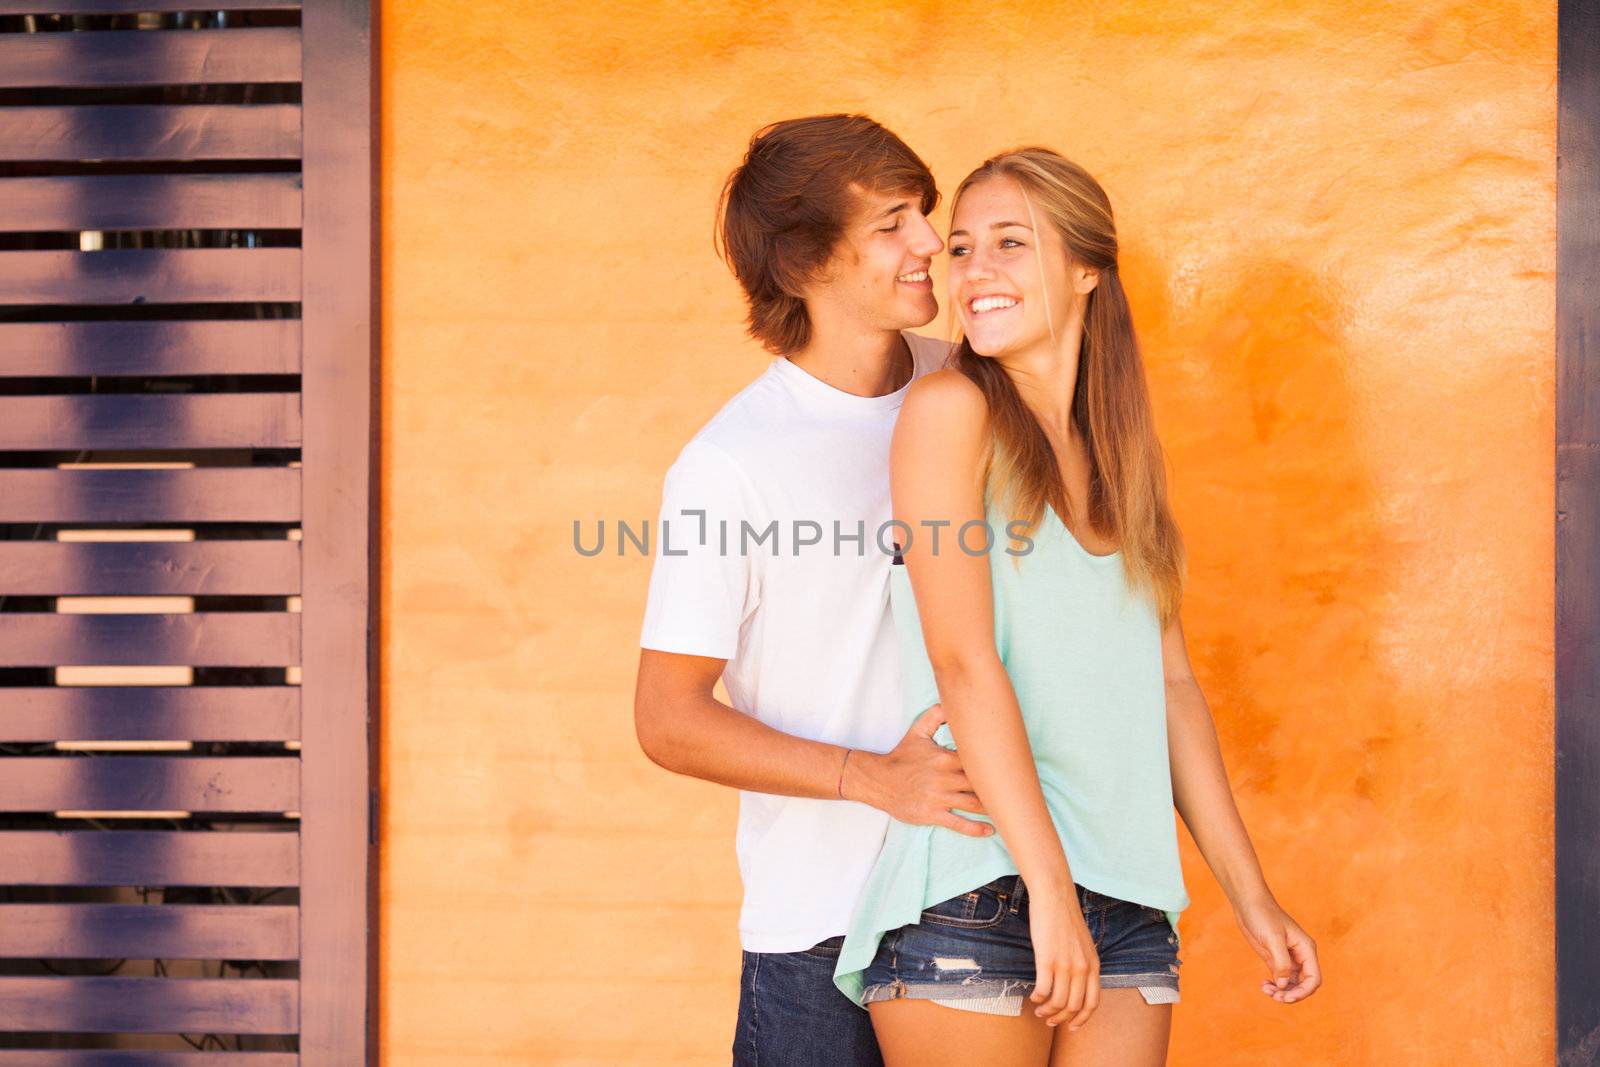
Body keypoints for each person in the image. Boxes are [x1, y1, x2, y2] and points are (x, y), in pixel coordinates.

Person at [832, 147, 1323, 1066]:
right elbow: (963, 661)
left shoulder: (1125, 454)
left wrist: (1252, 894)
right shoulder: (949, 413)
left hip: (1129, 896)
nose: (974, 272)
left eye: (1010, 244)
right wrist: (1049, 890)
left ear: (1086, 268)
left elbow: (1170, 686)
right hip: (980, 890)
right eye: (965, 248)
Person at [634, 114, 985, 1067]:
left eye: (925, 212)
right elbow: (667, 718)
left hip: (979, 905)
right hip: (816, 933)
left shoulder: (971, 390)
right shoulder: (731, 465)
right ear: (802, 264)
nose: (930, 243)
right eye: (890, 223)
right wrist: (875, 778)